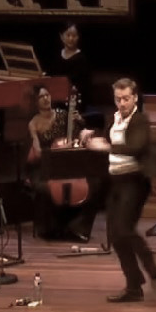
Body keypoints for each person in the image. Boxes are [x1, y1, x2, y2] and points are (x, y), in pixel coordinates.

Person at [80, 78, 156, 303]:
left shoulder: (140, 120)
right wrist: (91, 135)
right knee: (115, 235)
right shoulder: (115, 118)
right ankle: (133, 287)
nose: (122, 103)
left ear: (135, 98)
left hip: (135, 182)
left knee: (124, 229)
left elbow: (136, 147)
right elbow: (107, 139)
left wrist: (107, 146)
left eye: (126, 99)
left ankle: (155, 272)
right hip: (116, 182)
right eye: (118, 99)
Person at [23, 83, 99, 242]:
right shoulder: (34, 123)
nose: (46, 99)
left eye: (47, 95)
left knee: (92, 186)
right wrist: (53, 150)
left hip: (67, 163)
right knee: (45, 188)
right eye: (41, 97)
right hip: (45, 165)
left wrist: (79, 121)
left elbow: (79, 136)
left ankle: (78, 228)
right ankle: (50, 230)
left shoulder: (64, 115)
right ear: (35, 102)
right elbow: (37, 151)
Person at [45, 22, 95, 113]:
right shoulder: (56, 55)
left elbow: (84, 86)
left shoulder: (81, 59)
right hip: (55, 96)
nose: (71, 38)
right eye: (68, 35)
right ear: (61, 36)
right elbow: (50, 74)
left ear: (78, 37)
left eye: (74, 36)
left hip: (73, 99)